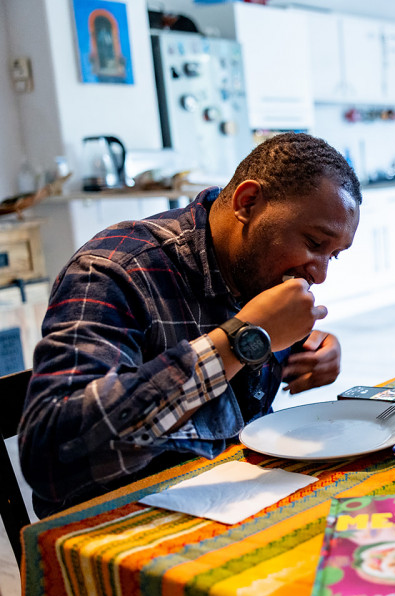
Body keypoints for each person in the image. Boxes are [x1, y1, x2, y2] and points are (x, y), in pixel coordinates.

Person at [19, 133, 362, 517]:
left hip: (232, 501)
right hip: (117, 530)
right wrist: (241, 340)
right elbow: (50, 455)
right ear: (247, 203)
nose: (320, 274)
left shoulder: (254, 268)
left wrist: (308, 347)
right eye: (315, 243)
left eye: (334, 255)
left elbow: (239, 356)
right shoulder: (115, 270)